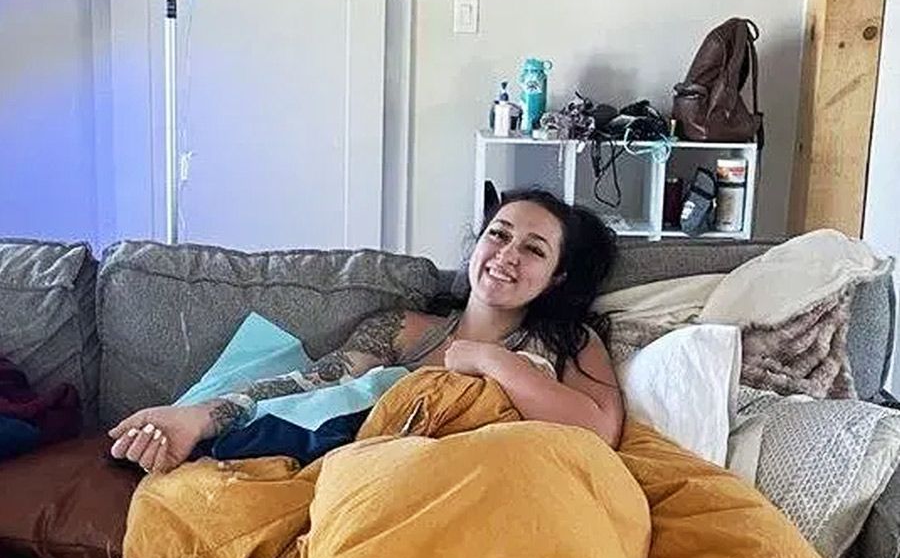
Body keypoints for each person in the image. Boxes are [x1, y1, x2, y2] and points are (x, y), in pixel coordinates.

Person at [109, 189, 624, 473]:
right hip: (366, 481)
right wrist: (198, 418)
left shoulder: (570, 342)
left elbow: (599, 432)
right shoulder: (401, 329)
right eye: (500, 235)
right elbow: (311, 387)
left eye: (533, 249)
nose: (508, 256)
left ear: (557, 277)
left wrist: (488, 360)